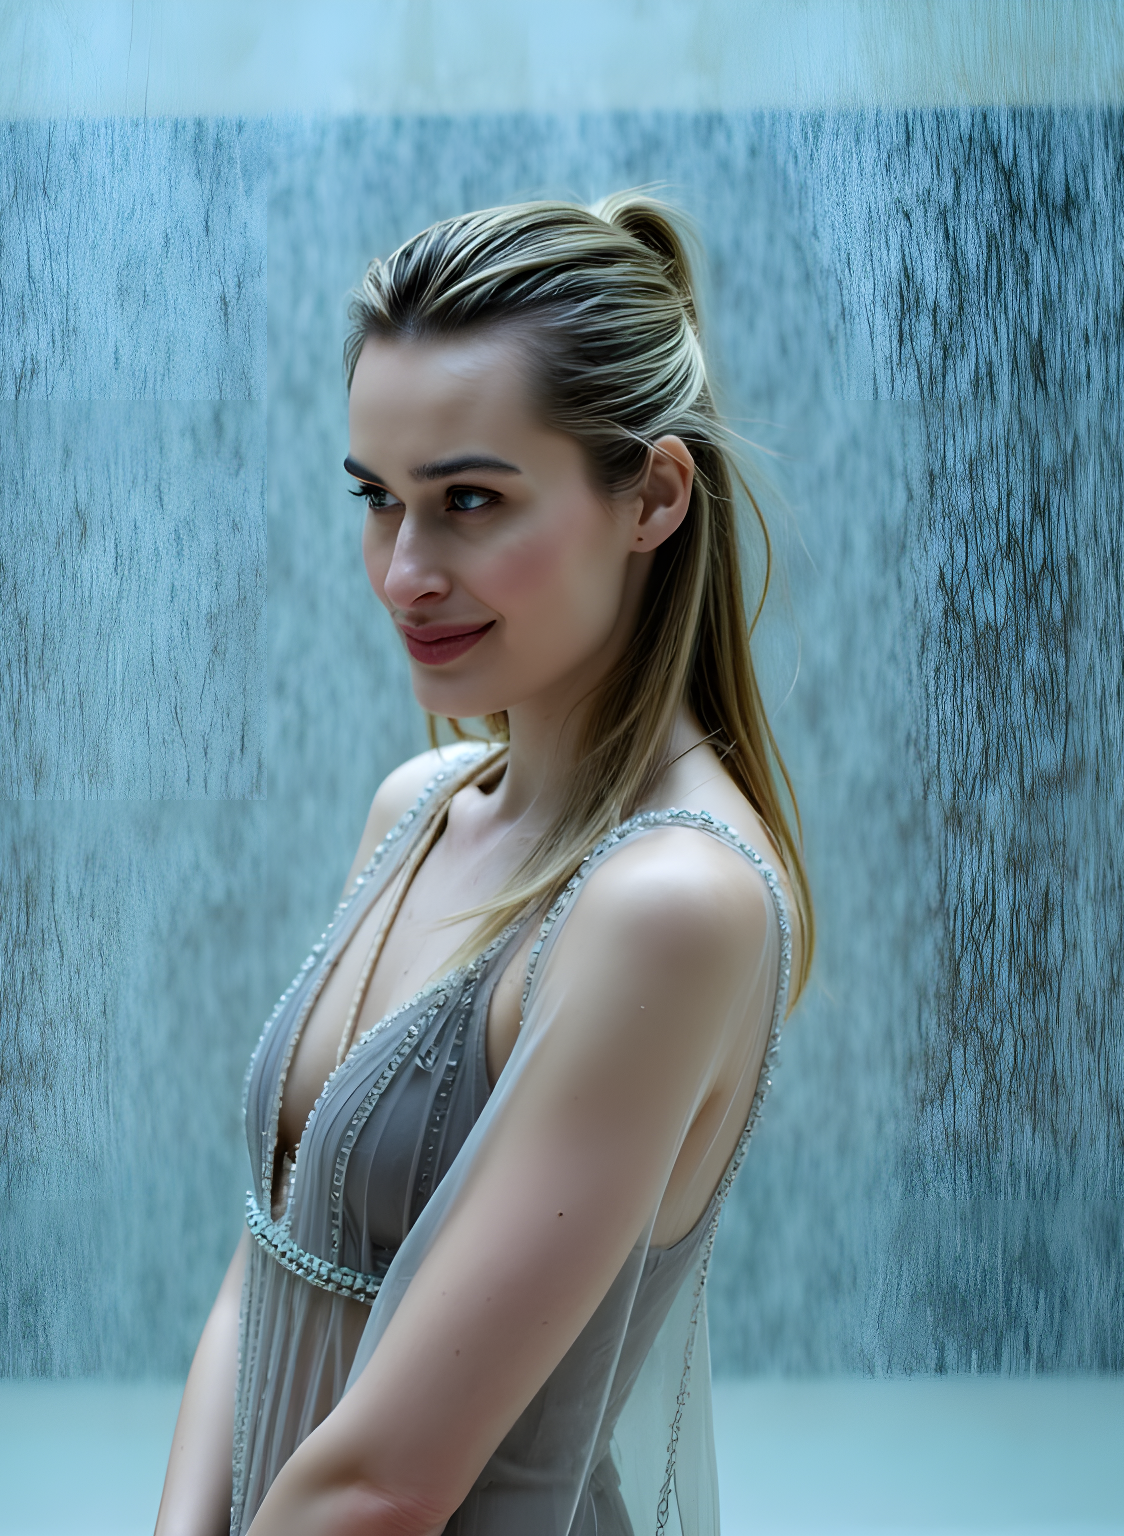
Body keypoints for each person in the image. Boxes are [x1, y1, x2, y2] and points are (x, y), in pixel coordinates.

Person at [154, 191, 815, 1536]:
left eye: (469, 501)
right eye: (377, 500)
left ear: (655, 499)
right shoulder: (421, 805)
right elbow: (268, 1255)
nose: (404, 571)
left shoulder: (670, 904)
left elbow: (390, 1488)